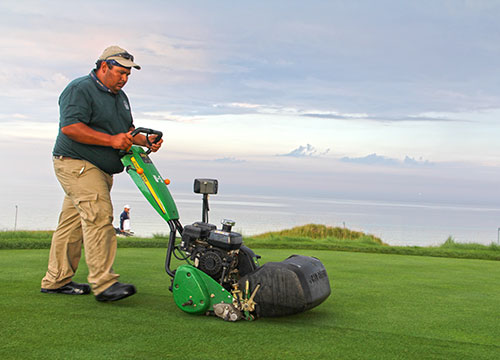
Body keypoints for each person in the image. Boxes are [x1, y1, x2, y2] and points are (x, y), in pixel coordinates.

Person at [41, 45, 162, 302]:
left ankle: (56, 280)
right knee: (99, 215)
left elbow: (126, 132)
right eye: (120, 72)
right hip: (77, 163)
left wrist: (145, 139)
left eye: (128, 74)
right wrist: (111, 141)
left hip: (100, 168)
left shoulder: (120, 97)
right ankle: (104, 283)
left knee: (71, 225)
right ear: (104, 66)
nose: (124, 78)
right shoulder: (80, 88)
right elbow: (71, 128)